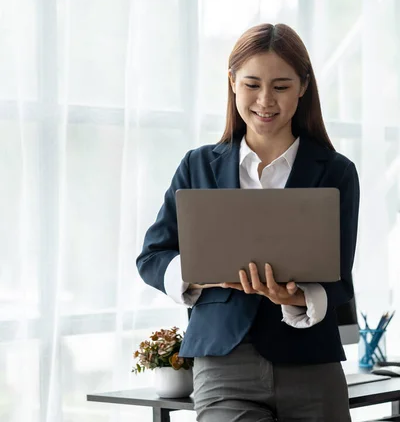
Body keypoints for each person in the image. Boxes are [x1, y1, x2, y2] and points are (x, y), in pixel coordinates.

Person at [136, 23, 359, 422]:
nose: (265, 100)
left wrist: (295, 298)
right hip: (224, 365)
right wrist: (200, 272)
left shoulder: (336, 172)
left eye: (281, 86)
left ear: (303, 86)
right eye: (252, 84)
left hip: (311, 363)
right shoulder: (197, 165)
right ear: (232, 82)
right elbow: (152, 257)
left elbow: (339, 279)